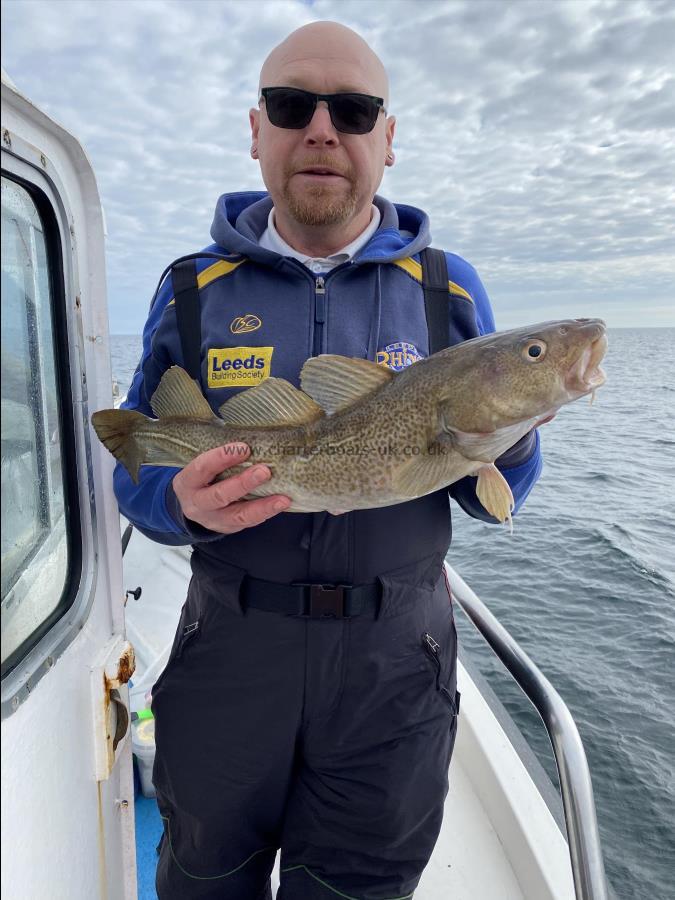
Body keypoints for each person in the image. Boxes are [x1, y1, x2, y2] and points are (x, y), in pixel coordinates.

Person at [115, 21, 542, 900]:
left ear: (386, 141)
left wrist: (517, 430)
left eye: (352, 110)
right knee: (204, 876)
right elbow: (135, 467)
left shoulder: (445, 288)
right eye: (290, 105)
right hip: (230, 644)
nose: (321, 128)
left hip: (395, 659)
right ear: (257, 128)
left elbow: (495, 496)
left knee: (356, 886)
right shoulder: (191, 288)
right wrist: (180, 504)